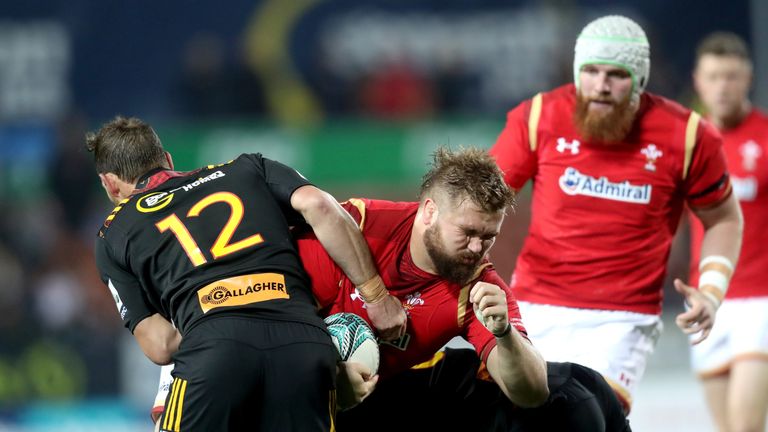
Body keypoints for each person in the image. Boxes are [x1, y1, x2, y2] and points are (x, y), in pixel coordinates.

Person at [154, 147, 630, 431]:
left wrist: (504, 334)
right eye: (466, 232)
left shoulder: (478, 286)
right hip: (290, 399)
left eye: (489, 237)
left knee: (579, 392)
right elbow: (235, 311)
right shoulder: (350, 232)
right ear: (427, 212)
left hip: (384, 400)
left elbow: (528, 392)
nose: (477, 248)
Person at [489, 15, 743, 412]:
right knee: (517, 416)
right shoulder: (539, 117)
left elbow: (723, 218)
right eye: (590, 71)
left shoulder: (689, 136)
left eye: (616, 74)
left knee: (583, 414)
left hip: (622, 320)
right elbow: (484, 199)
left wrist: (711, 291)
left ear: (639, 79)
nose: (601, 86)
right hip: (535, 308)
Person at [87, 116, 406, 431]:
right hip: (303, 342)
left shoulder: (114, 231)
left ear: (109, 183)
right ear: (167, 159)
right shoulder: (247, 167)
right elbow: (320, 206)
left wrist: (214, 310)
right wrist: (375, 295)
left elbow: (161, 344)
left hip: (214, 349)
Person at [688, 32, 768, 432]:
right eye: (715, 76)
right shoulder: (689, 143)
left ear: (748, 79)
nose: (723, 86)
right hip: (707, 301)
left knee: (746, 428)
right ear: (699, 81)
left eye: (732, 76)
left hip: (761, 302)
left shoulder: (766, 136)